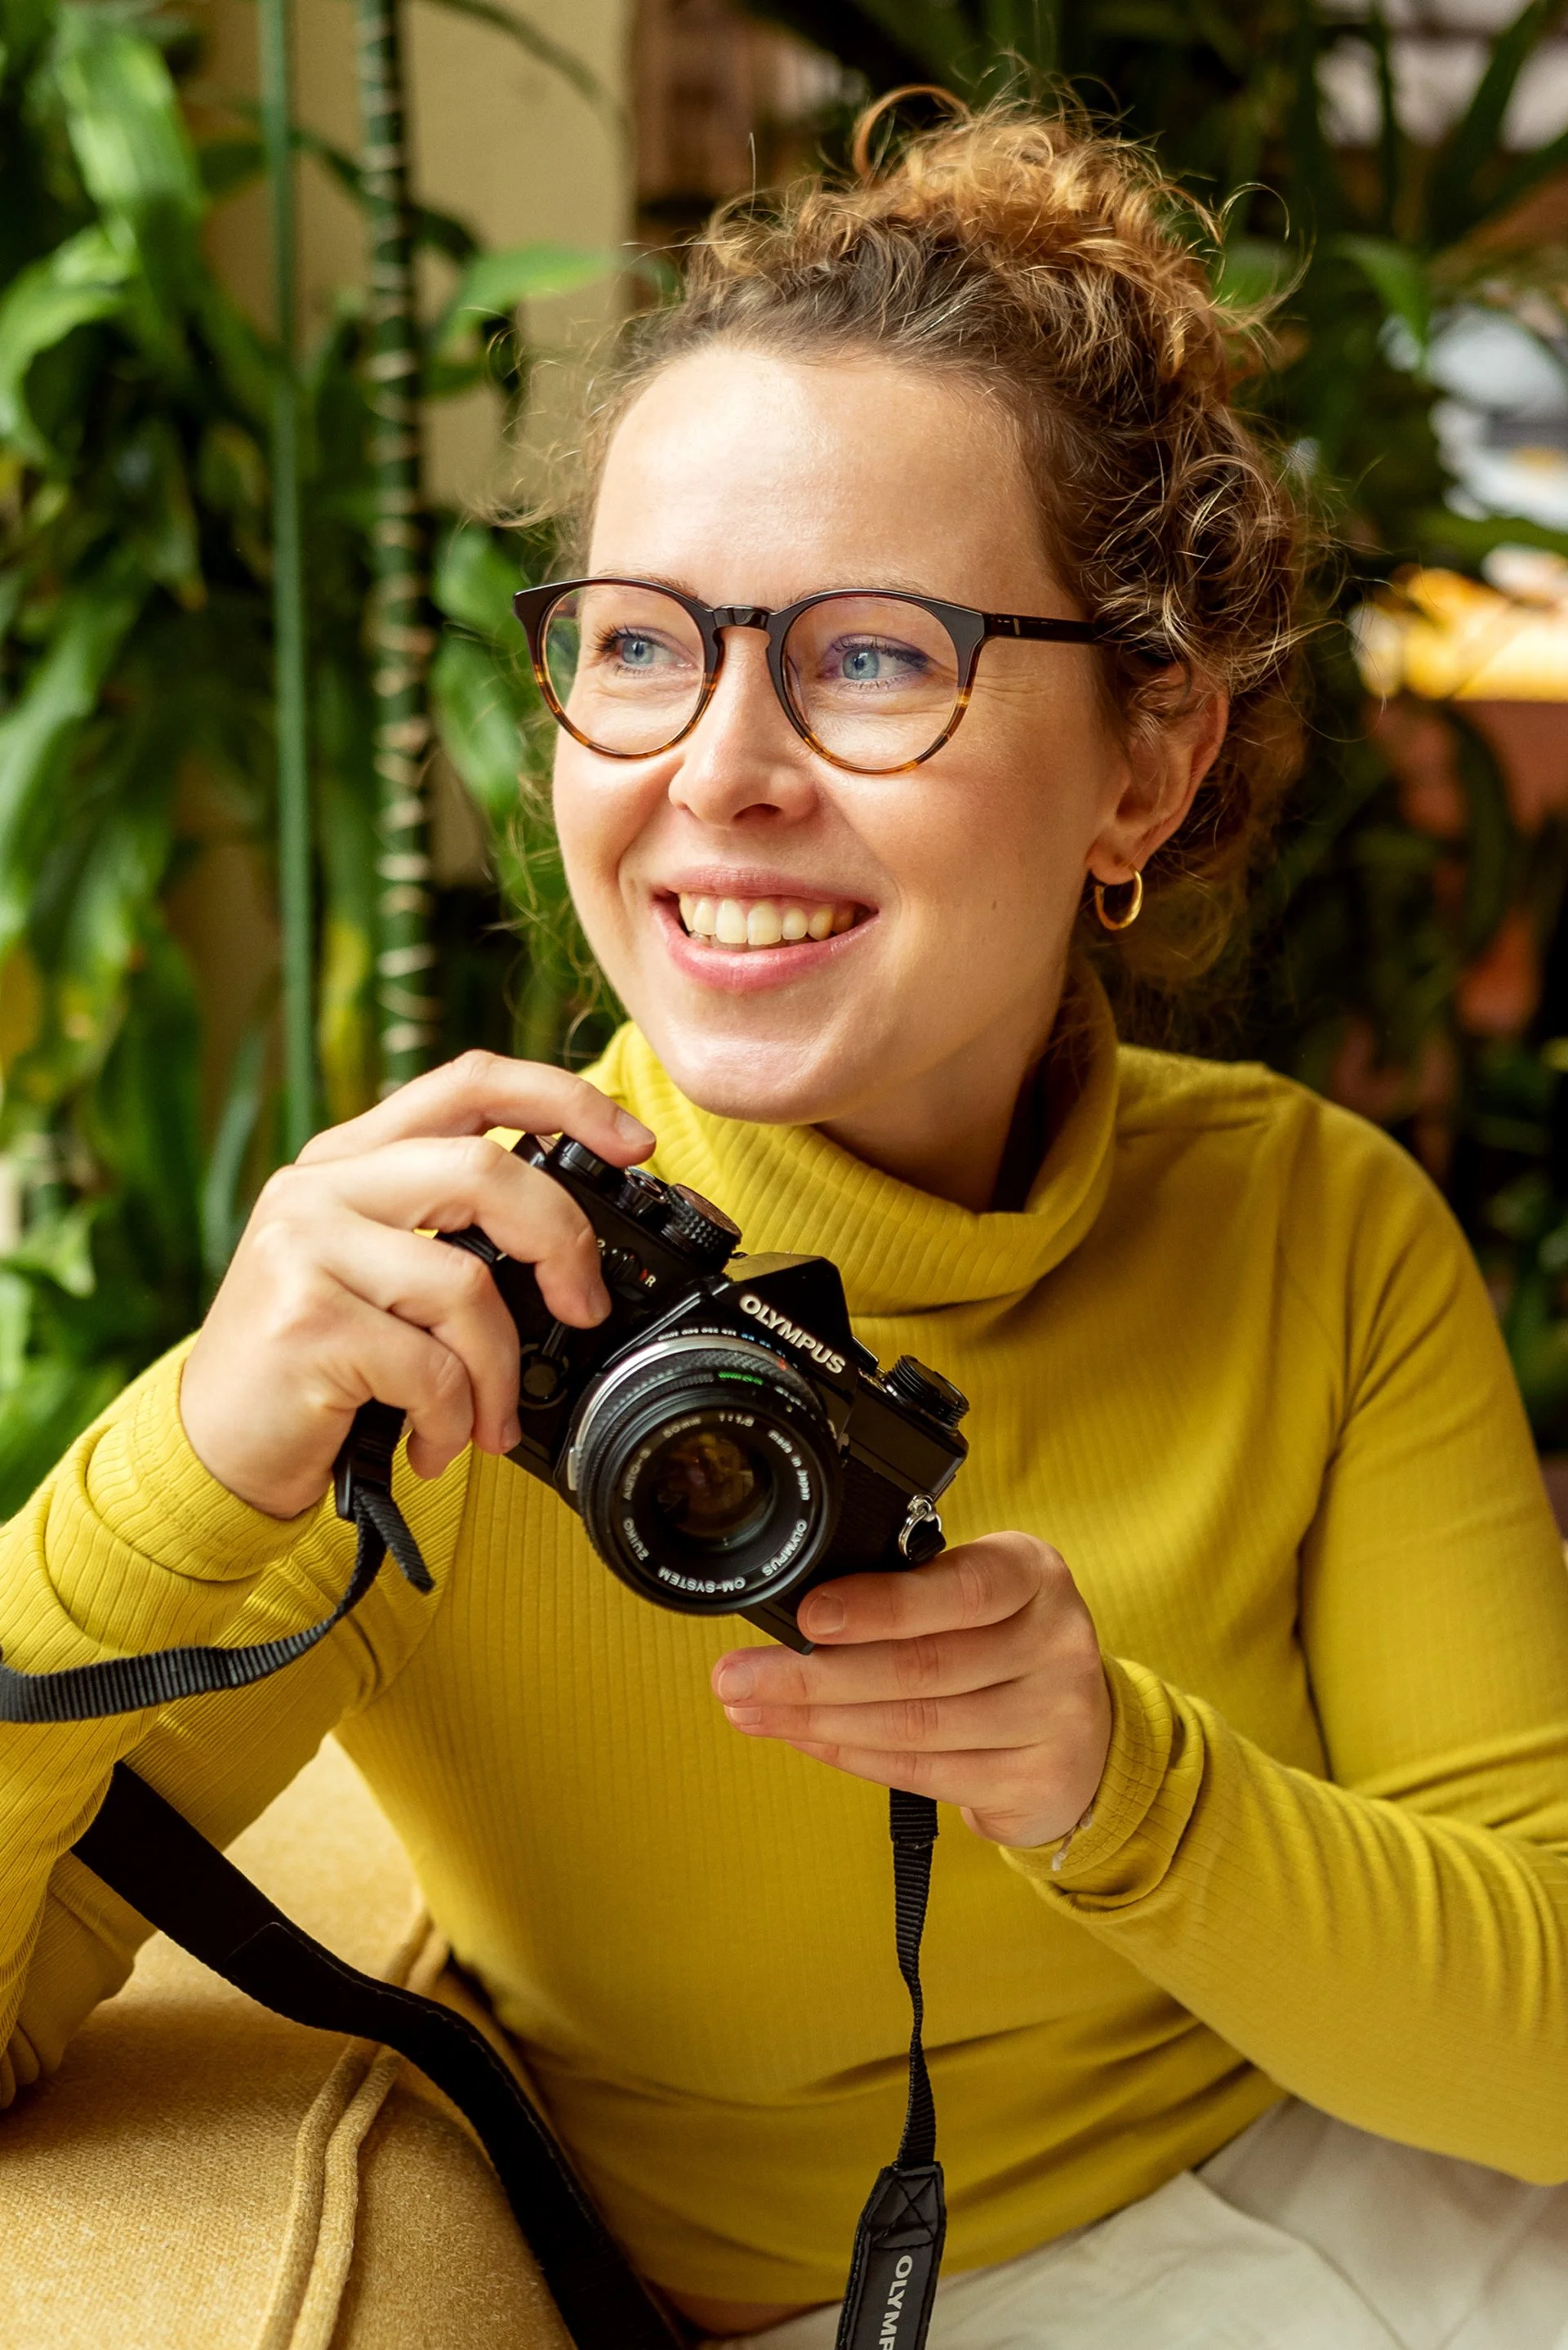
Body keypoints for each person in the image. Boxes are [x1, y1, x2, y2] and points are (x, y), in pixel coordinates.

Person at [3, 96, 1567, 2350]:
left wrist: (1112, 1778)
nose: (715, 766)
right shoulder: (448, 1333)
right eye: (641, 644)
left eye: (867, 653)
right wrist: (175, 1461)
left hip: (1397, 2188)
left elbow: (1535, 2054)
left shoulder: (1318, 1225)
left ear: (1148, 762)